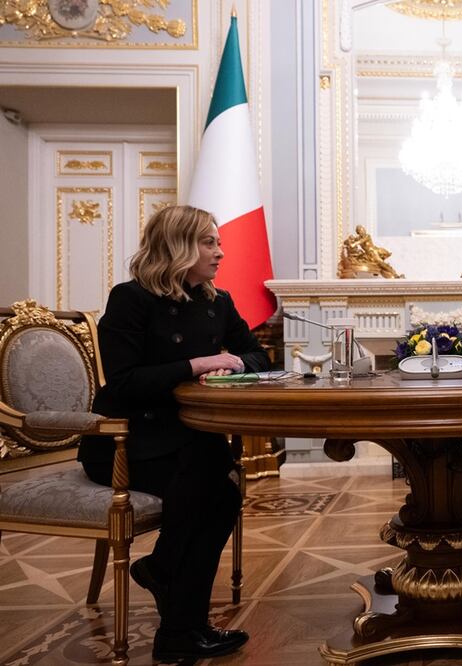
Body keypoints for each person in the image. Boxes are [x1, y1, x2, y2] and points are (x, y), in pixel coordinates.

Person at [78, 205, 268, 662]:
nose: (220, 253)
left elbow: (258, 355)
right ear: (178, 246)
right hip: (125, 443)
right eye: (209, 242)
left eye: (218, 243)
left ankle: (171, 598)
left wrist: (234, 364)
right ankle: (179, 623)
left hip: (186, 440)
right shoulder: (131, 298)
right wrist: (196, 365)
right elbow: (123, 383)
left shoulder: (216, 301)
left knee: (218, 491)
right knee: (211, 487)